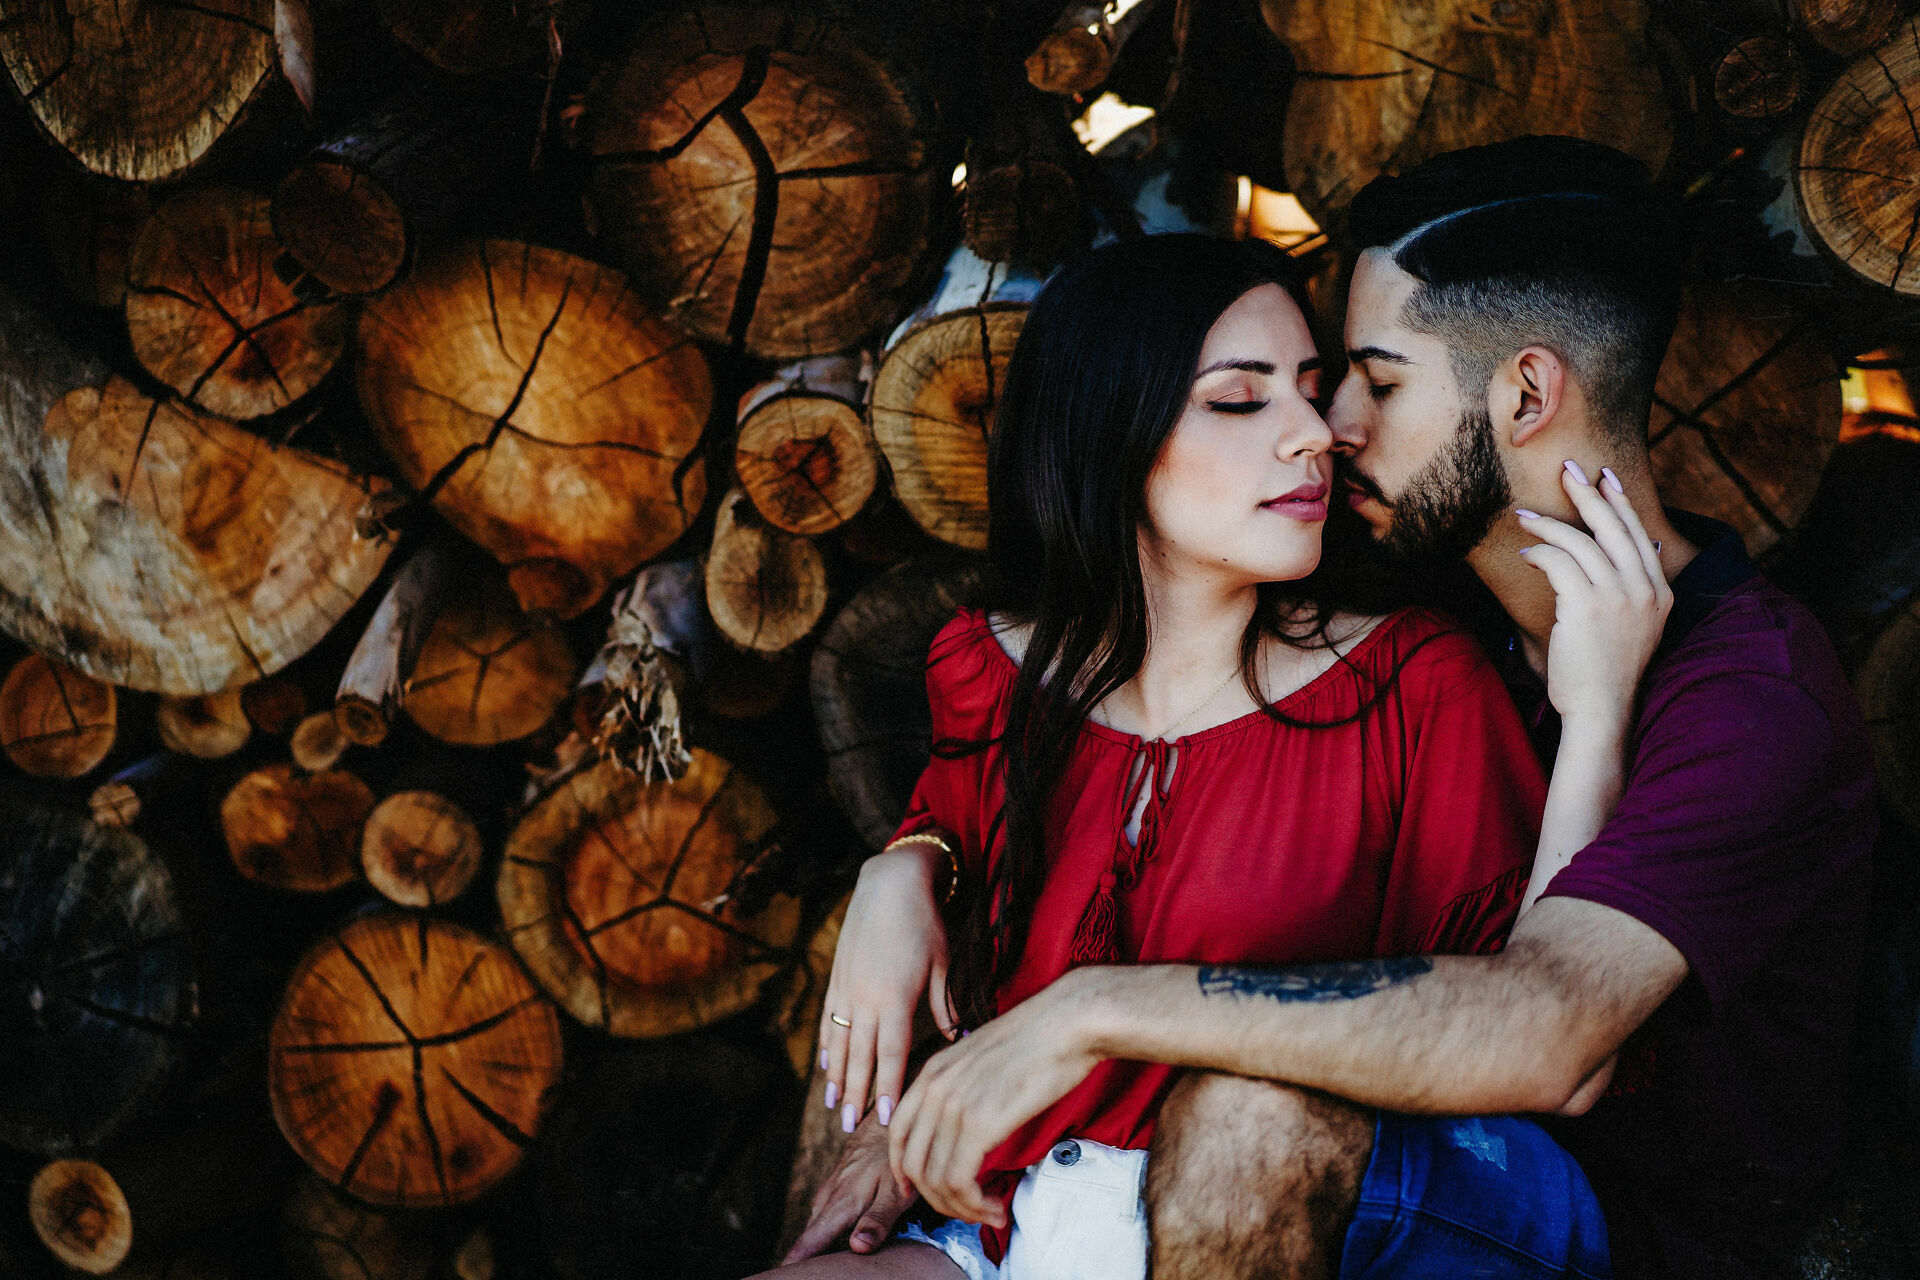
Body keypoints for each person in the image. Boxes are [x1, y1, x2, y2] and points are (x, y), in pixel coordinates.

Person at [854, 137, 1877, 1280]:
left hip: (1610, 1227)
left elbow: (1550, 1028)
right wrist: (909, 861)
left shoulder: (1748, 696)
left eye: (1376, 381)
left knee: (1250, 1117)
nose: (1331, 424)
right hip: (1324, 1167)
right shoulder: (1412, 589)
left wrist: (1092, 1009)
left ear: (1527, 393)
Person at [759, 228, 1669, 1280]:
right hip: (995, 1223)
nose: (1314, 435)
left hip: (1255, 1210)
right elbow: (954, 822)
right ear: (1110, 429)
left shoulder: (1413, 684)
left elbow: (1535, 1013)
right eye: (1241, 400)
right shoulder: (990, 664)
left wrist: (1596, 710)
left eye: (1313, 390)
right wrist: (902, 865)